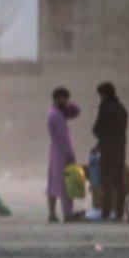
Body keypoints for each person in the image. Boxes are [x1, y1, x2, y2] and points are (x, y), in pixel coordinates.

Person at [92, 81, 129, 222]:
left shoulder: (105, 108)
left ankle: (106, 212)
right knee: (119, 182)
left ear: (103, 94)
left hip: (108, 149)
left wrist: (100, 142)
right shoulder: (122, 109)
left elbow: (98, 129)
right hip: (120, 148)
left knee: (107, 181)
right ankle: (120, 212)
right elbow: (120, 131)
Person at [46, 88, 80, 223]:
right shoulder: (56, 115)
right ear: (55, 98)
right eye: (62, 98)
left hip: (56, 152)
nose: (64, 101)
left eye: (66, 98)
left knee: (53, 183)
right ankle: (67, 214)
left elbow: (76, 111)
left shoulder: (57, 112)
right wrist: (71, 154)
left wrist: (68, 105)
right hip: (62, 153)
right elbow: (63, 137)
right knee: (66, 185)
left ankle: (52, 214)